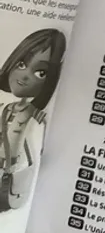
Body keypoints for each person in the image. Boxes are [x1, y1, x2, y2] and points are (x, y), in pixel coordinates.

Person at [0, 29, 66, 213]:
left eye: (40, 73)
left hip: (11, 181)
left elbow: (35, 153)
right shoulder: (7, 109)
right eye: (21, 64)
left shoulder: (37, 119)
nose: (24, 76)